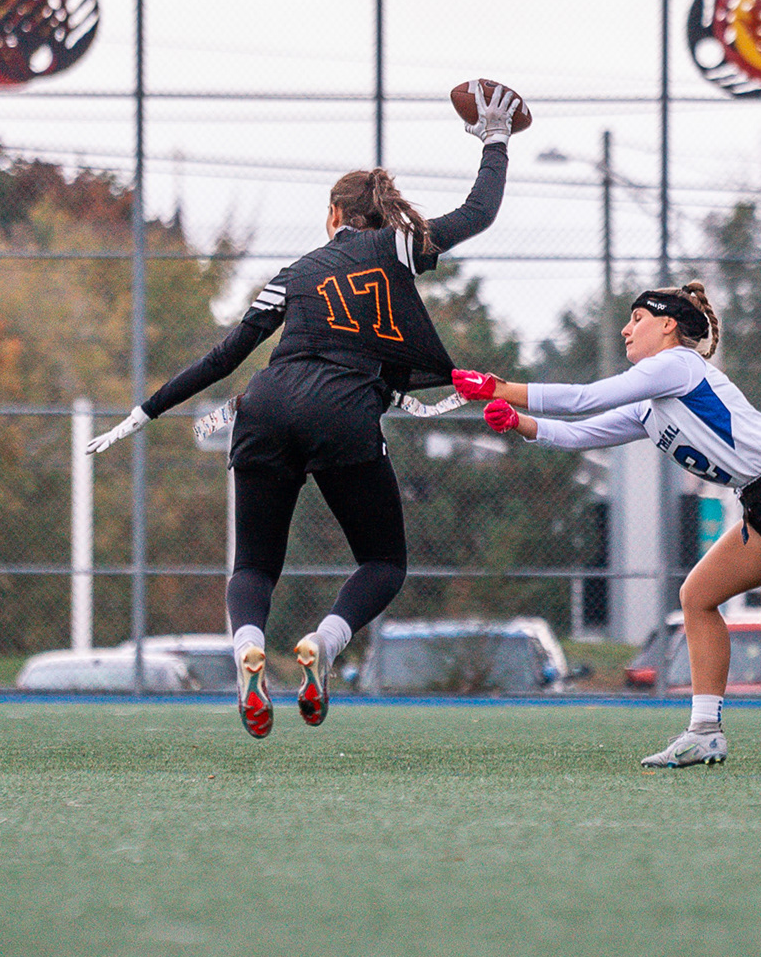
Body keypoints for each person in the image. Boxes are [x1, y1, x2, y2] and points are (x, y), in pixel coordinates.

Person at [85, 82, 523, 738]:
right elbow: (478, 211)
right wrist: (495, 139)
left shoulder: (293, 273)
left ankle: (248, 651)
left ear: (334, 215)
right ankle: (324, 642)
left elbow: (223, 358)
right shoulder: (398, 245)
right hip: (341, 409)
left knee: (254, 566)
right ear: (378, 213)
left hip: (264, 404)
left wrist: (142, 413)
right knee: (383, 564)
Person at [451, 282, 761, 772]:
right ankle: (704, 733)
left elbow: (584, 398)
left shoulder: (678, 365)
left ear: (667, 325)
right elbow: (581, 433)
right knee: (697, 597)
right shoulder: (653, 402)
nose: (625, 329)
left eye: (636, 318)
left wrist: (498, 387)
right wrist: (519, 423)